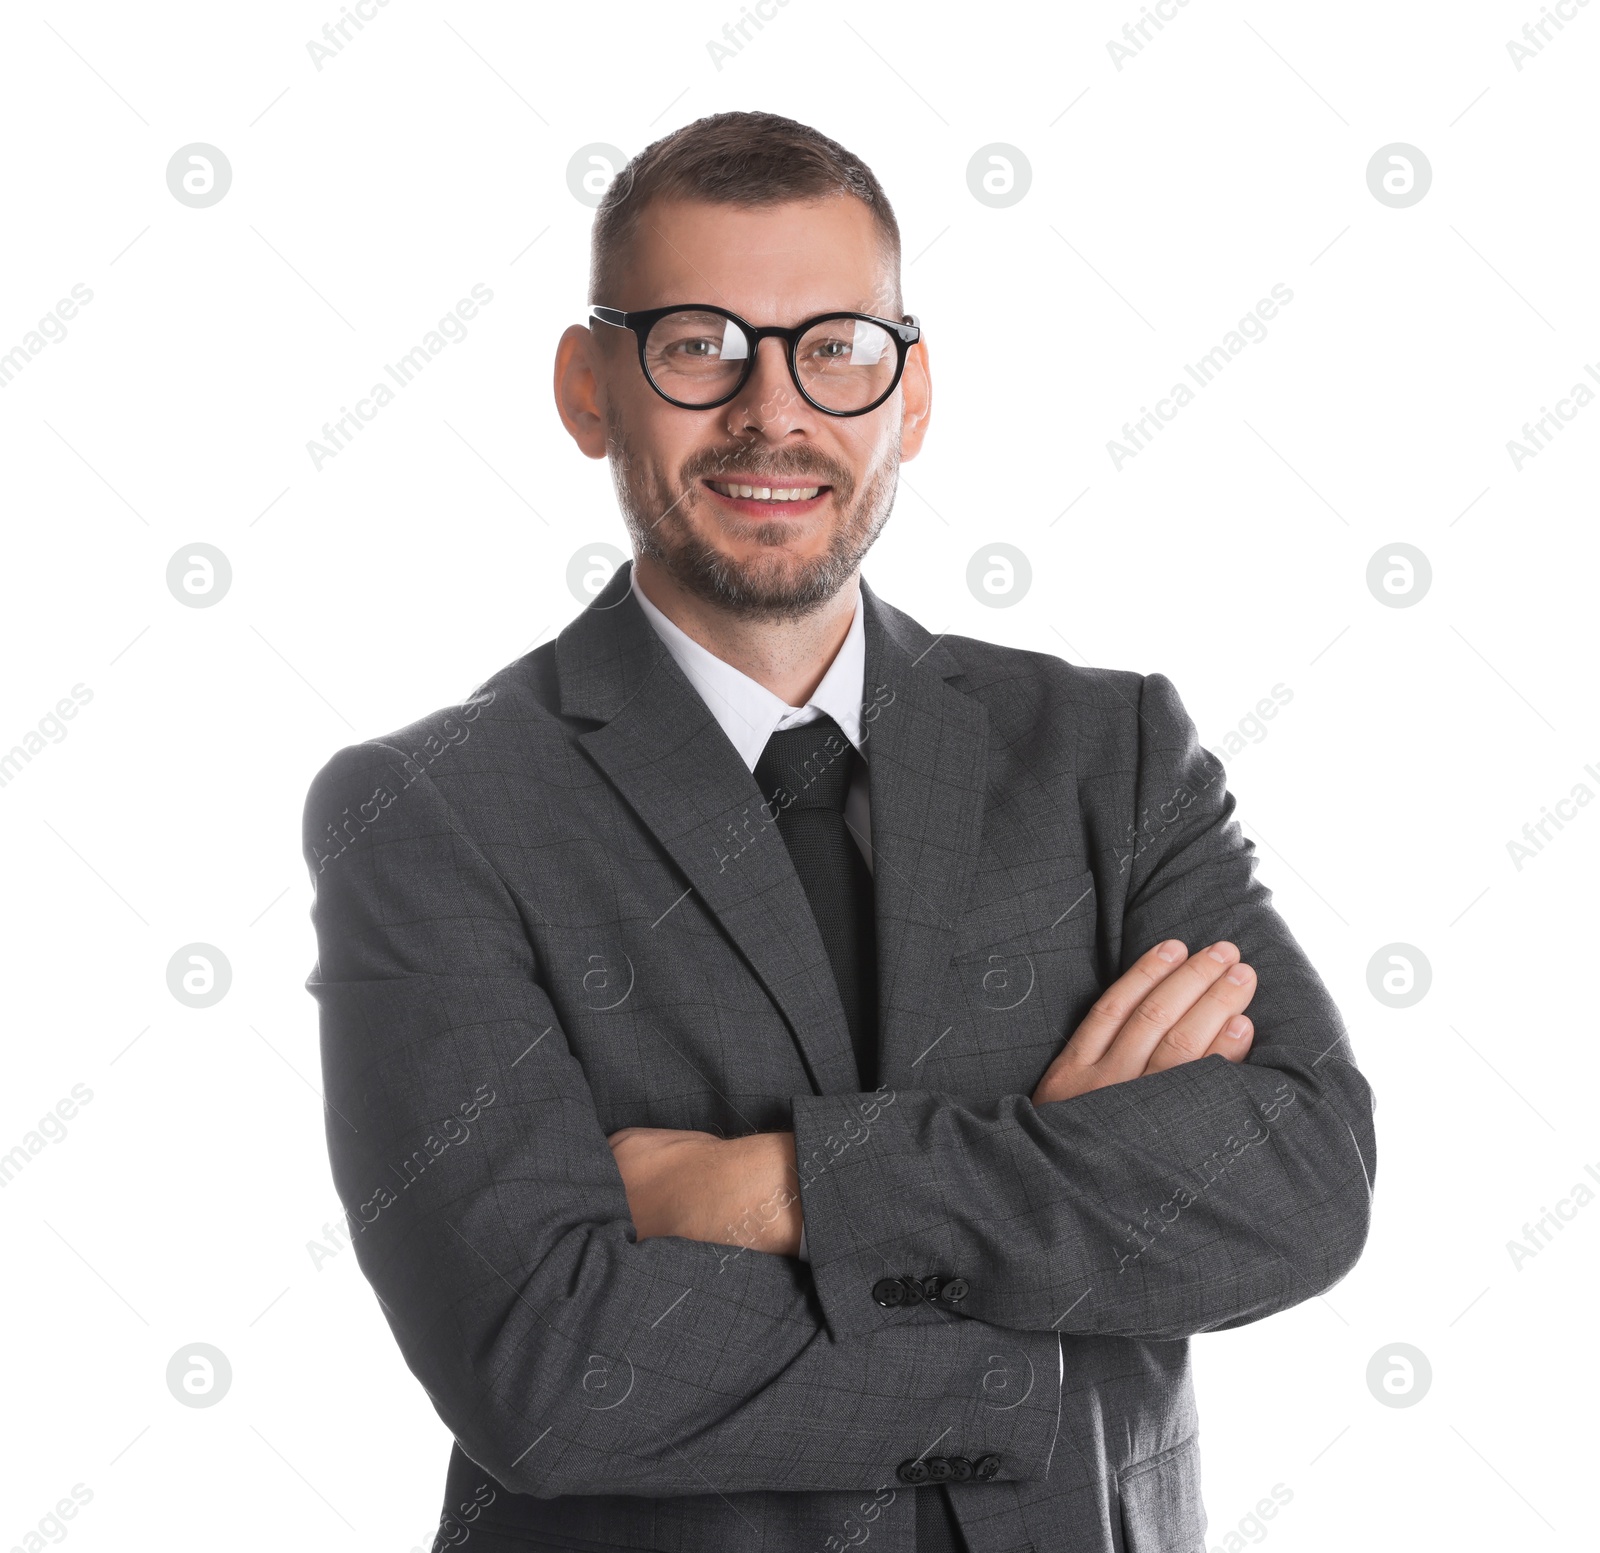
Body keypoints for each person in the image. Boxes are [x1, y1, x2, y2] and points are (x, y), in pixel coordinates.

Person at [301, 109, 1376, 1553]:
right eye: (700, 344)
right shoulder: (428, 815)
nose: (772, 410)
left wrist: (782, 1186)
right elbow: (551, 1368)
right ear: (588, 386)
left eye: (835, 348)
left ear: (909, 393)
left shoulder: (1107, 754)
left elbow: (1299, 1183)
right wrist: (1051, 1292)